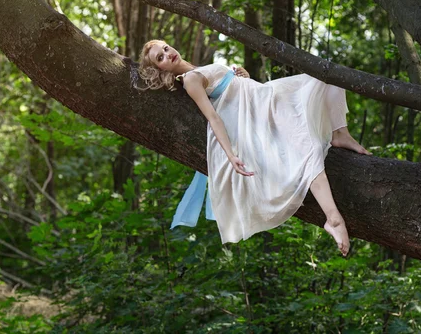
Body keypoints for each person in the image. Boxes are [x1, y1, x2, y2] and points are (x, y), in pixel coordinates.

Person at [138, 39, 371, 256]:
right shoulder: (189, 79)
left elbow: (227, 90)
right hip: (259, 110)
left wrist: (241, 77)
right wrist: (231, 155)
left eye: (166, 48)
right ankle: (333, 218)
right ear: (162, 70)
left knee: (328, 75)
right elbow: (214, 117)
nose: (168, 54)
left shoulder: (198, 69)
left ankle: (340, 133)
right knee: (305, 148)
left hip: (263, 95)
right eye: (161, 58)